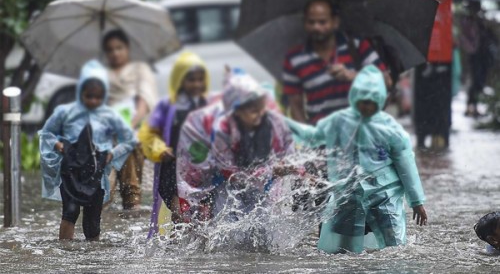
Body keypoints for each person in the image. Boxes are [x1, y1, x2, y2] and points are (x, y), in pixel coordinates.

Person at [287, 65, 427, 254]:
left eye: (370, 102)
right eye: (362, 101)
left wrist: (416, 201)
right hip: (349, 194)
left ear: (379, 100)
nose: (365, 107)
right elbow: (313, 135)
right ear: (354, 98)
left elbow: (406, 164)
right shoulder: (339, 121)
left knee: (394, 248)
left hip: (383, 195)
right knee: (340, 250)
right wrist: (284, 123)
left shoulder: (390, 129)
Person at [39, 60, 136, 241]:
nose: (93, 101)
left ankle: (93, 259)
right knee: (70, 213)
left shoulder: (109, 115)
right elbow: (46, 134)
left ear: (104, 95)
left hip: (95, 173)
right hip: (70, 172)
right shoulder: (65, 112)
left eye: (98, 97)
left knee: (93, 222)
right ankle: (65, 252)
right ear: (81, 92)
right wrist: (58, 145)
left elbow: (129, 139)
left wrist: (112, 154)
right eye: (89, 96)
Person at [283, 0, 390, 125]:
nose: (316, 27)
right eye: (311, 22)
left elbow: (386, 81)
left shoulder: (356, 46)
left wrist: (353, 76)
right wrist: (305, 136)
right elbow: (295, 106)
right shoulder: (294, 59)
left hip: (361, 131)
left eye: (322, 22)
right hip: (322, 136)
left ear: (335, 22)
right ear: (304, 23)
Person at [138, 51, 209, 236]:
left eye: (200, 79)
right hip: (172, 169)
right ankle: (177, 248)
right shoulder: (167, 106)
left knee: (202, 215)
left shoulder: (207, 105)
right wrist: (158, 149)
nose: (196, 84)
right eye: (191, 79)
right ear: (180, 80)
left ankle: (193, 250)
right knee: (179, 213)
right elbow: (148, 133)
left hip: (201, 171)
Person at [210, 72, 296, 217]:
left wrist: (292, 167)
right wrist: (271, 171)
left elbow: (289, 149)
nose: (260, 114)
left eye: (262, 108)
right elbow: (229, 171)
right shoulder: (222, 131)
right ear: (237, 111)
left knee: (263, 227)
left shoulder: (272, 123)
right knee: (227, 228)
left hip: (263, 184)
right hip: (227, 186)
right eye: (253, 111)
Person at [103, 29, 158, 210]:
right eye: (110, 50)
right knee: (103, 193)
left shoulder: (139, 70)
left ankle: (131, 205)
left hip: (133, 130)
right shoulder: (102, 74)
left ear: (127, 48)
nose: (115, 53)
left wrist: (129, 125)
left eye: (119, 48)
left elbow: (145, 99)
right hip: (105, 134)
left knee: (131, 186)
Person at [458, 1, 494, 117]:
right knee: (475, 81)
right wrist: (472, 47)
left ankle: (474, 106)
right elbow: (465, 39)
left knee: (479, 81)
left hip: (482, 55)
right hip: (474, 54)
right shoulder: (467, 21)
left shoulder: (480, 21)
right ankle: (471, 106)